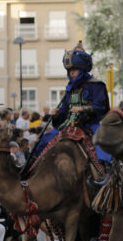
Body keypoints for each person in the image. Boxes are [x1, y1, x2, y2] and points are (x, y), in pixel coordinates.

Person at [33, 42, 110, 170]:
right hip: (69, 125)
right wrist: (57, 114)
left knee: (101, 142)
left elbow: (101, 107)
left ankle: (105, 170)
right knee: (45, 138)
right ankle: (33, 166)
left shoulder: (96, 85)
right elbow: (64, 111)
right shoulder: (70, 88)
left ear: (83, 70)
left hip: (91, 125)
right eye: (69, 70)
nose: (72, 73)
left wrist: (82, 109)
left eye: (74, 70)